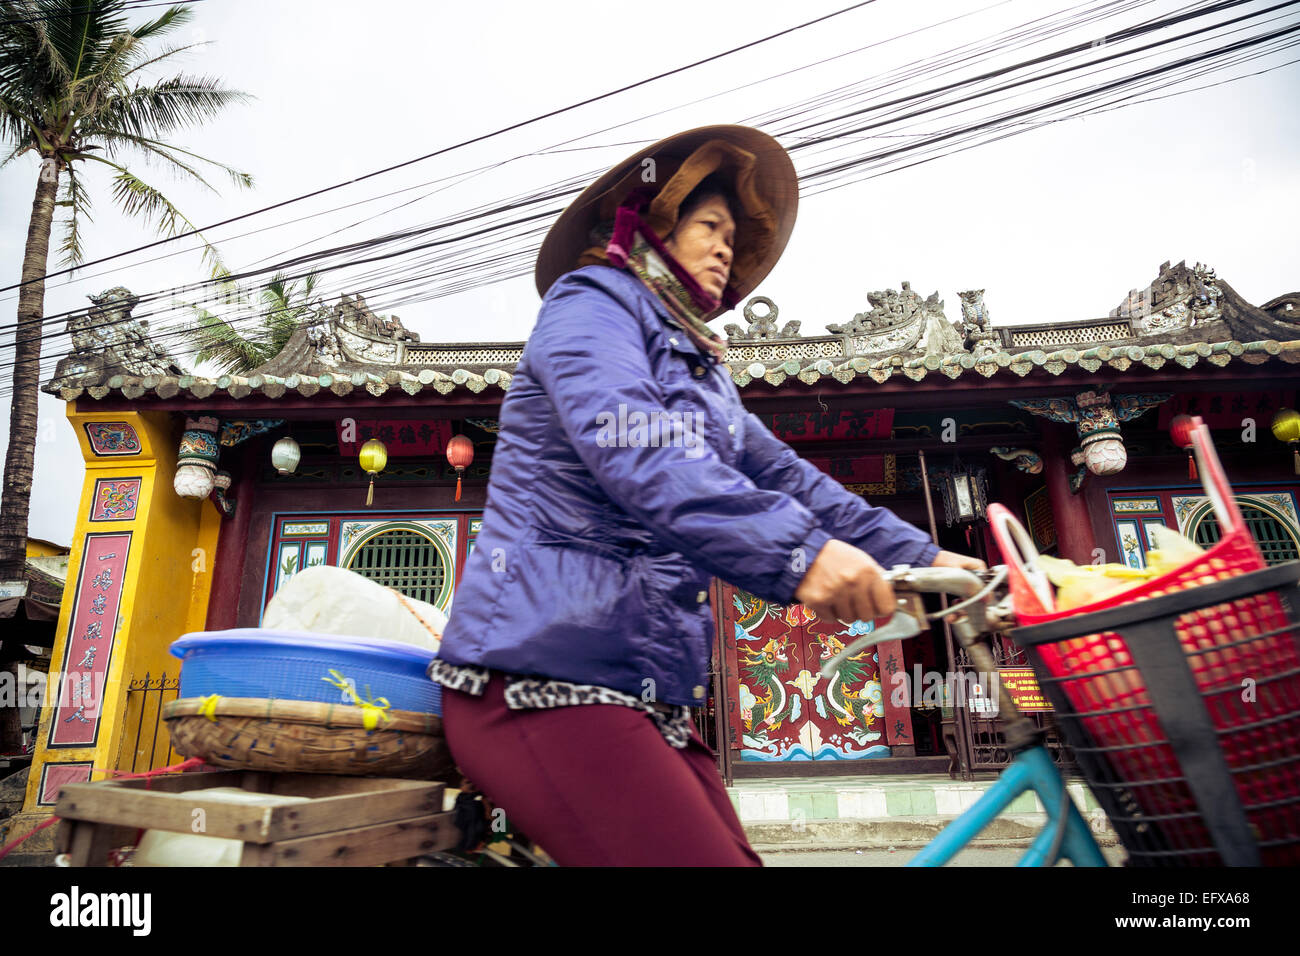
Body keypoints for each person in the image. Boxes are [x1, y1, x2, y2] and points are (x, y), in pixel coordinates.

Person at [430, 125, 985, 867]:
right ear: (649, 228)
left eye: (733, 233)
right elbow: (635, 442)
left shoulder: (706, 377)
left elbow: (793, 481)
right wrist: (801, 556)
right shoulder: (590, 304)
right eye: (709, 226)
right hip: (541, 674)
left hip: (641, 689)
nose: (728, 248)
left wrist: (930, 554)